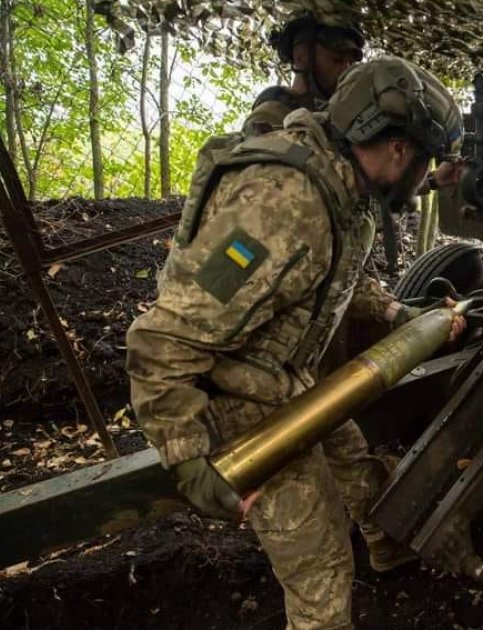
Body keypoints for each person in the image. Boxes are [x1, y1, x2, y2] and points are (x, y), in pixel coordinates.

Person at [126, 57, 465, 630]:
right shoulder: (283, 204)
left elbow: (337, 281)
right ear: (400, 151)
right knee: (322, 569)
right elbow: (162, 340)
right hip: (238, 403)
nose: (422, 173)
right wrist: (188, 460)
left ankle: (388, 549)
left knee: (355, 462)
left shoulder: (342, 186)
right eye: (424, 159)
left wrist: (399, 312)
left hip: (285, 377)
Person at [243, 9, 365, 138]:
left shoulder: (344, 115)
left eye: (350, 63)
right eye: (337, 60)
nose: (346, 69)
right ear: (302, 57)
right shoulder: (273, 111)